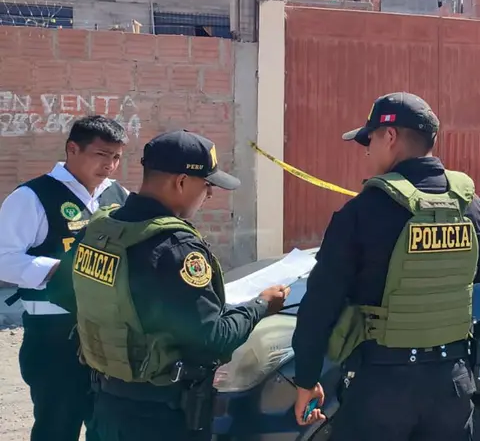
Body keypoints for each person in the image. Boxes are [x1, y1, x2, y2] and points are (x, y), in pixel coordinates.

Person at [47, 129, 290, 441]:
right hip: (161, 415)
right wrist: (261, 305)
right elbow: (213, 337)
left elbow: (62, 292)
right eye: (207, 186)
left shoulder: (102, 229)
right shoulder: (174, 247)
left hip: (106, 403)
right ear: (181, 182)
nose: (209, 196)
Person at [291, 91, 480, 440]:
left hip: (381, 387)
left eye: (369, 139)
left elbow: (320, 304)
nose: (367, 150)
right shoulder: (468, 202)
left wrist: (306, 379)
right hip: (451, 384)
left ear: (390, 136)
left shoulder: (362, 211)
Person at [0, 115, 130, 441]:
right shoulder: (32, 197)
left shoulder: (118, 196)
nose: (110, 166)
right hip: (55, 334)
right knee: (58, 424)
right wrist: (62, 271)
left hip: (107, 334)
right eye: (102, 155)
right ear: (73, 149)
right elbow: (4, 259)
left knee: (108, 425)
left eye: (116, 157)